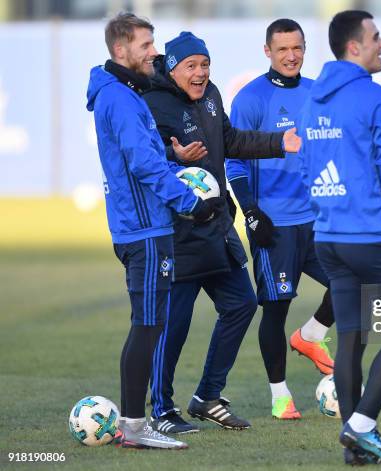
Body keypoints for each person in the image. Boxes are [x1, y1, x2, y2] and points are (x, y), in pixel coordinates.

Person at [141, 31, 302, 434]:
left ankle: (208, 396)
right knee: (173, 326)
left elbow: (229, 141)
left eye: (205, 65)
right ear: (173, 68)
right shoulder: (151, 101)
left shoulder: (210, 95)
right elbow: (141, 160)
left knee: (243, 304)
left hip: (216, 225)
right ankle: (161, 410)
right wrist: (172, 155)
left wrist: (277, 142)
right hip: (176, 231)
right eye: (191, 66)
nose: (200, 73)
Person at [297, 10, 381, 465]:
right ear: (354, 46)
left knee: (351, 340)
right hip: (371, 237)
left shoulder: (312, 99)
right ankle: (361, 424)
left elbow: (305, 166)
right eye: (377, 37)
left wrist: (325, 210)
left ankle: (354, 447)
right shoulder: (377, 100)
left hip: (328, 238)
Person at [86, 13, 223, 449]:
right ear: (121, 50)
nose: (154, 52)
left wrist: (174, 159)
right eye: (146, 45)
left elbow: (146, 156)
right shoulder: (122, 100)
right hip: (144, 231)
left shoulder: (122, 94)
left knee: (150, 324)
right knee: (147, 327)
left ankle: (133, 423)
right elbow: (142, 167)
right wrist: (191, 204)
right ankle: (133, 426)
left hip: (146, 227)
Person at [226, 19, 335, 420]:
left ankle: (311, 335)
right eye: (283, 49)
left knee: (352, 280)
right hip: (274, 223)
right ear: (267, 51)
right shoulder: (251, 99)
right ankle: (279, 394)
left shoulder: (316, 94)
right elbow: (234, 160)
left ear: (305, 49)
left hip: (317, 219)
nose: (291, 56)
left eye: (298, 48)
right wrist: (251, 210)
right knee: (275, 307)